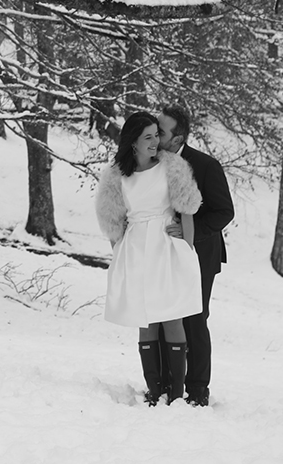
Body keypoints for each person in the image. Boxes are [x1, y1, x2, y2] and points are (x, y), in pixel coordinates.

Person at [96, 111, 203, 405]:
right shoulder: (117, 175)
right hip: (136, 250)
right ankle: (155, 390)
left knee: (172, 316)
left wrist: (188, 248)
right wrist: (119, 250)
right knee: (146, 319)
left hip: (168, 247)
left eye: (157, 135)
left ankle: (177, 394)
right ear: (133, 142)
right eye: (148, 137)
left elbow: (188, 208)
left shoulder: (172, 166)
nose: (156, 142)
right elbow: (111, 218)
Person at [157, 105, 234, 407]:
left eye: (161, 131)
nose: (155, 134)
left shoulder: (205, 165)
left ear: (177, 139)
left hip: (200, 254)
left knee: (194, 319)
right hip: (162, 254)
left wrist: (188, 231)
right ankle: (168, 382)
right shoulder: (150, 164)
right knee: (164, 316)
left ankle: (198, 391)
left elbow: (224, 211)